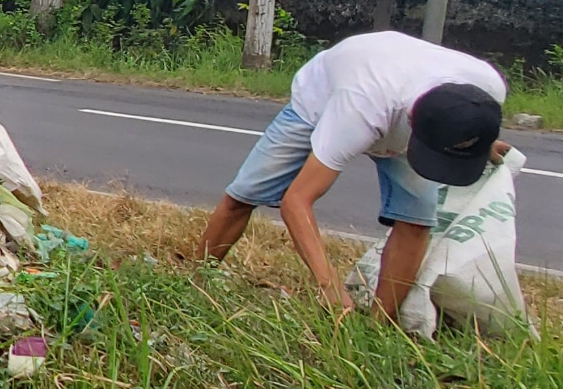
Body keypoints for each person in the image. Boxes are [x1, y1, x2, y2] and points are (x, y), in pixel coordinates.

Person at [189, 30, 509, 319]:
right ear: (412, 122)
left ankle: (380, 325)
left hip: (400, 96)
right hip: (322, 101)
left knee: (417, 219)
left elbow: (469, 122)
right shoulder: (359, 110)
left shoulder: (486, 90)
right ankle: (196, 285)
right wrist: (328, 284)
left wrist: (476, 147)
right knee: (245, 194)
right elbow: (296, 201)